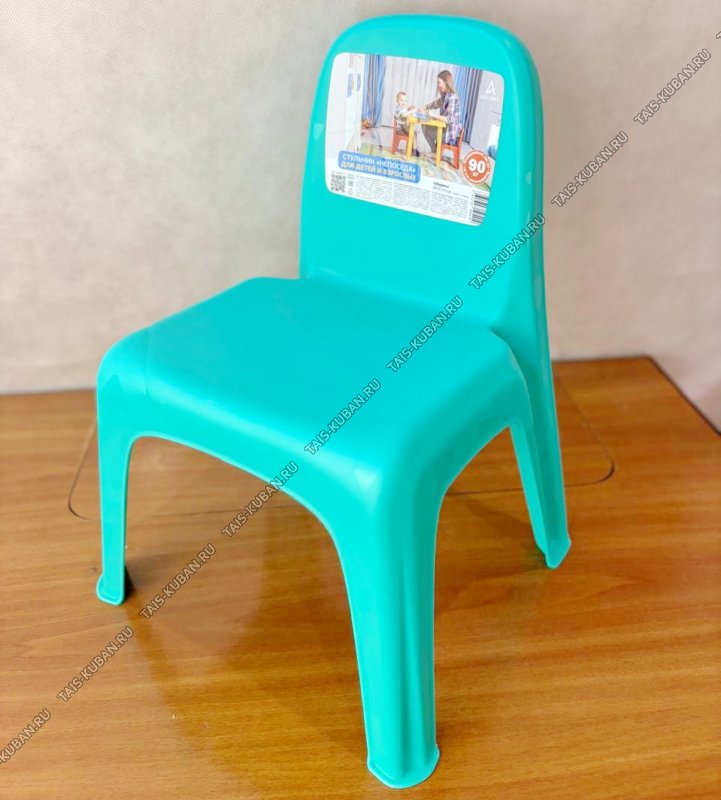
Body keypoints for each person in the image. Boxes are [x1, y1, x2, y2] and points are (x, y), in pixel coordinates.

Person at [421, 70, 462, 160]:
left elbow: (450, 119)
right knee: (425, 125)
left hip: (451, 136)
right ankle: (435, 152)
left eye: (439, 82)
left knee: (425, 127)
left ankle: (435, 152)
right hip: (446, 130)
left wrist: (434, 116)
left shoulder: (452, 97)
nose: (438, 85)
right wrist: (424, 107)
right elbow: (435, 104)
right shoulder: (445, 96)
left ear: (446, 82)